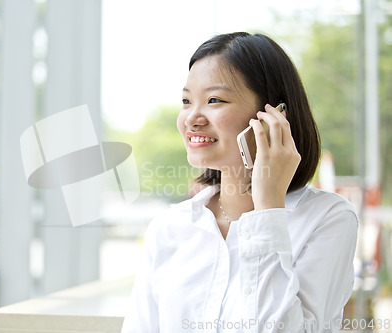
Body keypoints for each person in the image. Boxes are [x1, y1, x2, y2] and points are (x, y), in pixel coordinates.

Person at [121, 32, 358, 333]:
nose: (192, 118)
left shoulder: (327, 218)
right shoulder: (169, 229)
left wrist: (268, 210)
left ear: (274, 116)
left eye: (214, 100)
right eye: (186, 101)